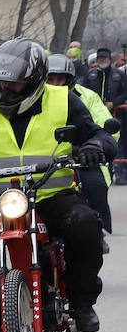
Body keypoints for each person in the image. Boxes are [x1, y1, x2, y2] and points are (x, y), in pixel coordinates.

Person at [0, 39, 114, 332]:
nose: (5, 90)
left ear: (33, 81)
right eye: (0, 83)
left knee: (85, 226)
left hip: (53, 194)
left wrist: (94, 147)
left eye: (14, 84)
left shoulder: (63, 99)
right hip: (1, 197)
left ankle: (83, 304)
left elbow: (96, 134)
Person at [46, 54, 114, 243]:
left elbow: (102, 127)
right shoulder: (35, 99)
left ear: (70, 79)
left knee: (95, 184)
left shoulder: (88, 96)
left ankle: (96, 231)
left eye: (60, 79)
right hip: (44, 157)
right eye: (51, 79)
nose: (56, 84)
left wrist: (94, 146)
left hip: (82, 156)